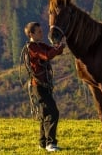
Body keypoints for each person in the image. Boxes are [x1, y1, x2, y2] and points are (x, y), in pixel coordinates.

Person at [23, 22, 65, 152]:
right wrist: (57, 48)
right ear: (31, 34)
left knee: (44, 113)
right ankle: (50, 143)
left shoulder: (39, 45)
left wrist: (58, 47)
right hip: (38, 86)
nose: (42, 33)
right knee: (53, 112)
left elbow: (52, 51)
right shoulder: (32, 48)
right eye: (39, 32)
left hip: (44, 85)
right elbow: (46, 55)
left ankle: (42, 143)